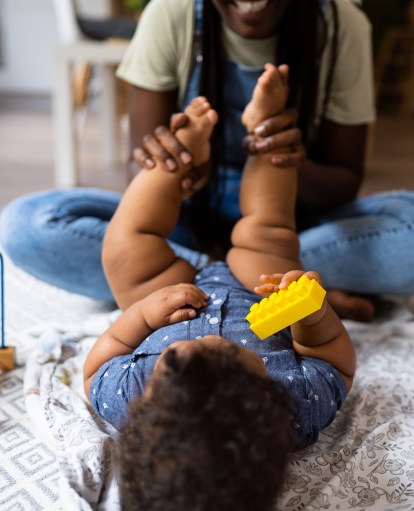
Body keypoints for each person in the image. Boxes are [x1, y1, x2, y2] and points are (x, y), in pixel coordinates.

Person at [0, 0, 414, 321]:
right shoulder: (171, 14)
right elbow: (136, 171)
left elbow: (343, 184)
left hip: (291, 224)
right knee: (27, 225)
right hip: (188, 223)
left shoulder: (340, 25)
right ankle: (281, 286)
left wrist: (289, 159)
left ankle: (192, 281)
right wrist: (173, 167)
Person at [84, 65, 355, 511]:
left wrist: (145, 315)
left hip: (169, 292)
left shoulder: (125, 398)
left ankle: (180, 155)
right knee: (267, 234)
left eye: (177, 362)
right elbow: (336, 363)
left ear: (144, 411)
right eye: (230, 356)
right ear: (270, 404)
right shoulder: (297, 409)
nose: (213, 341)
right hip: (258, 285)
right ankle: (266, 131)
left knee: (123, 250)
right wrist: (312, 316)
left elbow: (99, 363)